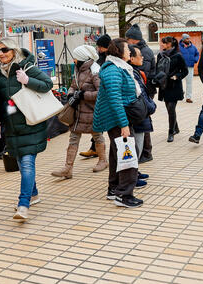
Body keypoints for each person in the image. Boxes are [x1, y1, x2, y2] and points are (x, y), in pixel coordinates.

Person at [0, 37, 53, 221]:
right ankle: (33, 193)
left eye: (5, 50)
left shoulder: (27, 67)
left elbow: (47, 85)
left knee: (27, 164)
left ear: (14, 50)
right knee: (21, 163)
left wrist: (27, 81)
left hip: (29, 123)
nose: (1, 54)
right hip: (11, 126)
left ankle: (23, 204)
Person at [93, 38, 142, 208]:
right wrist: (124, 124)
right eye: (128, 49)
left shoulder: (118, 67)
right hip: (116, 119)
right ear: (119, 52)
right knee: (128, 153)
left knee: (117, 153)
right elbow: (115, 99)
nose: (130, 51)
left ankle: (114, 189)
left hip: (117, 118)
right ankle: (124, 195)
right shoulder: (113, 70)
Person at [51, 45, 106, 179]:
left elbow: (102, 93)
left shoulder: (95, 72)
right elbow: (73, 85)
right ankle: (67, 168)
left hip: (92, 112)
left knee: (97, 136)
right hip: (78, 112)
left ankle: (103, 161)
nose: (73, 60)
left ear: (82, 58)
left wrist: (84, 95)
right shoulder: (78, 69)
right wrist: (71, 94)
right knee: (73, 138)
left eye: (75, 58)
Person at [125, 24, 156, 163]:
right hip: (143, 90)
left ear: (133, 40)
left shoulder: (143, 52)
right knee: (144, 121)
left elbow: (143, 73)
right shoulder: (142, 49)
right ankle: (145, 152)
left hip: (144, 90)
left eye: (128, 39)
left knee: (143, 121)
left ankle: (146, 152)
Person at [127, 45, 156, 187]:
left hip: (141, 114)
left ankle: (135, 171)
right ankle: (132, 176)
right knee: (136, 146)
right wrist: (151, 107)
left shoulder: (136, 71)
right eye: (140, 55)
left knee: (138, 144)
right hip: (138, 114)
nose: (143, 57)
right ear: (131, 58)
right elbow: (141, 96)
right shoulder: (131, 73)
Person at [80, 34, 111, 159]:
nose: (98, 49)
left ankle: (100, 152)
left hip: (108, 96)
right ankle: (94, 149)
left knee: (108, 126)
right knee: (98, 124)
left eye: (99, 46)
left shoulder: (110, 59)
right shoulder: (101, 57)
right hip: (103, 97)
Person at [156, 36, 188, 142]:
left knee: (171, 108)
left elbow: (185, 71)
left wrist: (176, 76)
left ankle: (171, 132)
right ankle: (176, 127)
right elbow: (157, 69)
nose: (162, 45)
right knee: (170, 109)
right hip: (164, 86)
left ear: (170, 44)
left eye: (164, 43)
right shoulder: (160, 55)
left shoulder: (178, 55)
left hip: (174, 86)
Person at [178, 34, 199, 103]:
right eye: (187, 39)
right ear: (183, 39)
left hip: (190, 66)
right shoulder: (178, 47)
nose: (188, 40)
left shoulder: (193, 47)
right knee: (179, 82)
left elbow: (197, 54)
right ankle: (180, 93)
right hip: (180, 67)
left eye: (189, 38)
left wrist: (195, 60)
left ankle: (188, 97)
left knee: (189, 83)